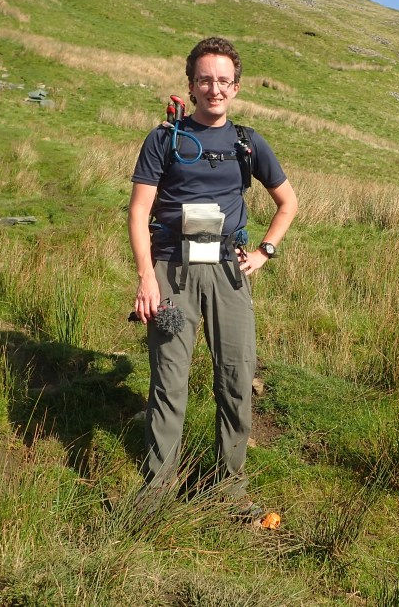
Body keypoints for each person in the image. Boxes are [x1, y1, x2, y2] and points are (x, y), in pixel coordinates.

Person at [128, 36, 298, 511]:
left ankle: (228, 488)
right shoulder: (164, 139)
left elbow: (288, 203)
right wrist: (146, 277)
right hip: (172, 273)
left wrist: (264, 251)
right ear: (191, 85)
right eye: (205, 79)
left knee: (236, 376)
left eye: (223, 80)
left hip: (228, 273)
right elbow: (139, 211)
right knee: (169, 380)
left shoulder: (248, 142)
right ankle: (156, 491)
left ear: (236, 88)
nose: (214, 88)